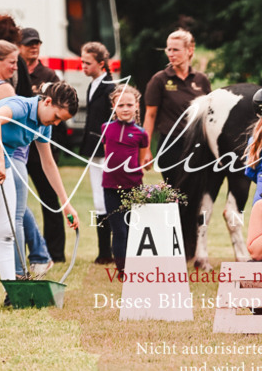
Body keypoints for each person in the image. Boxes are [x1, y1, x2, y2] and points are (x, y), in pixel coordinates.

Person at [0, 81, 79, 308]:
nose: (55, 122)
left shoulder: (44, 125)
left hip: (0, 165)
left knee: (6, 232)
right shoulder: (20, 106)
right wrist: (2, 160)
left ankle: (12, 294)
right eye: (56, 117)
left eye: (59, 121)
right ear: (48, 102)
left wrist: (66, 204)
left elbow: (48, 163)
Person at [0, 39, 53, 279]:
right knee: (15, 216)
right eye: (12, 62)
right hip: (11, 155)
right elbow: (14, 127)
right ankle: (21, 270)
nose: (16, 67)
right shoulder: (4, 89)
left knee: (4, 213)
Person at [19, 27, 67, 263]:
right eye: (29, 43)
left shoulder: (49, 75)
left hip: (41, 147)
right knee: (17, 201)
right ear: (19, 47)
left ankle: (55, 253)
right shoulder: (14, 73)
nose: (34, 47)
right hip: (18, 147)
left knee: (49, 198)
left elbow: (60, 110)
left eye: (36, 43)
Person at [143, 29, 211, 187]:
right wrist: (145, 149)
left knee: (196, 194)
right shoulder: (159, 80)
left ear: (189, 50)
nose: (171, 54)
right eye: (169, 49)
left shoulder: (201, 80)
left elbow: (209, 115)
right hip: (171, 145)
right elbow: (150, 115)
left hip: (197, 145)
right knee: (176, 194)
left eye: (176, 49)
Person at [102, 86, 149, 274]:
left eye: (129, 104)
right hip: (110, 187)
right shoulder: (106, 128)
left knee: (133, 228)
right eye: (120, 105)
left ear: (137, 106)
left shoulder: (141, 133)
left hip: (133, 187)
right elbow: (108, 156)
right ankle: (122, 269)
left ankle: (136, 265)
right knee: (119, 230)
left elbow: (141, 160)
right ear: (114, 106)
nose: (125, 108)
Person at [80, 41, 116, 264]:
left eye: (87, 63)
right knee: (98, 199)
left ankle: (108, 250)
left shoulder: (111, 88)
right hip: (93, 149)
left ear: (101, 64)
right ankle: (103, 250)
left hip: (106, 151)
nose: (83, 66)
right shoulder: (92, 85)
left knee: (106, 198)